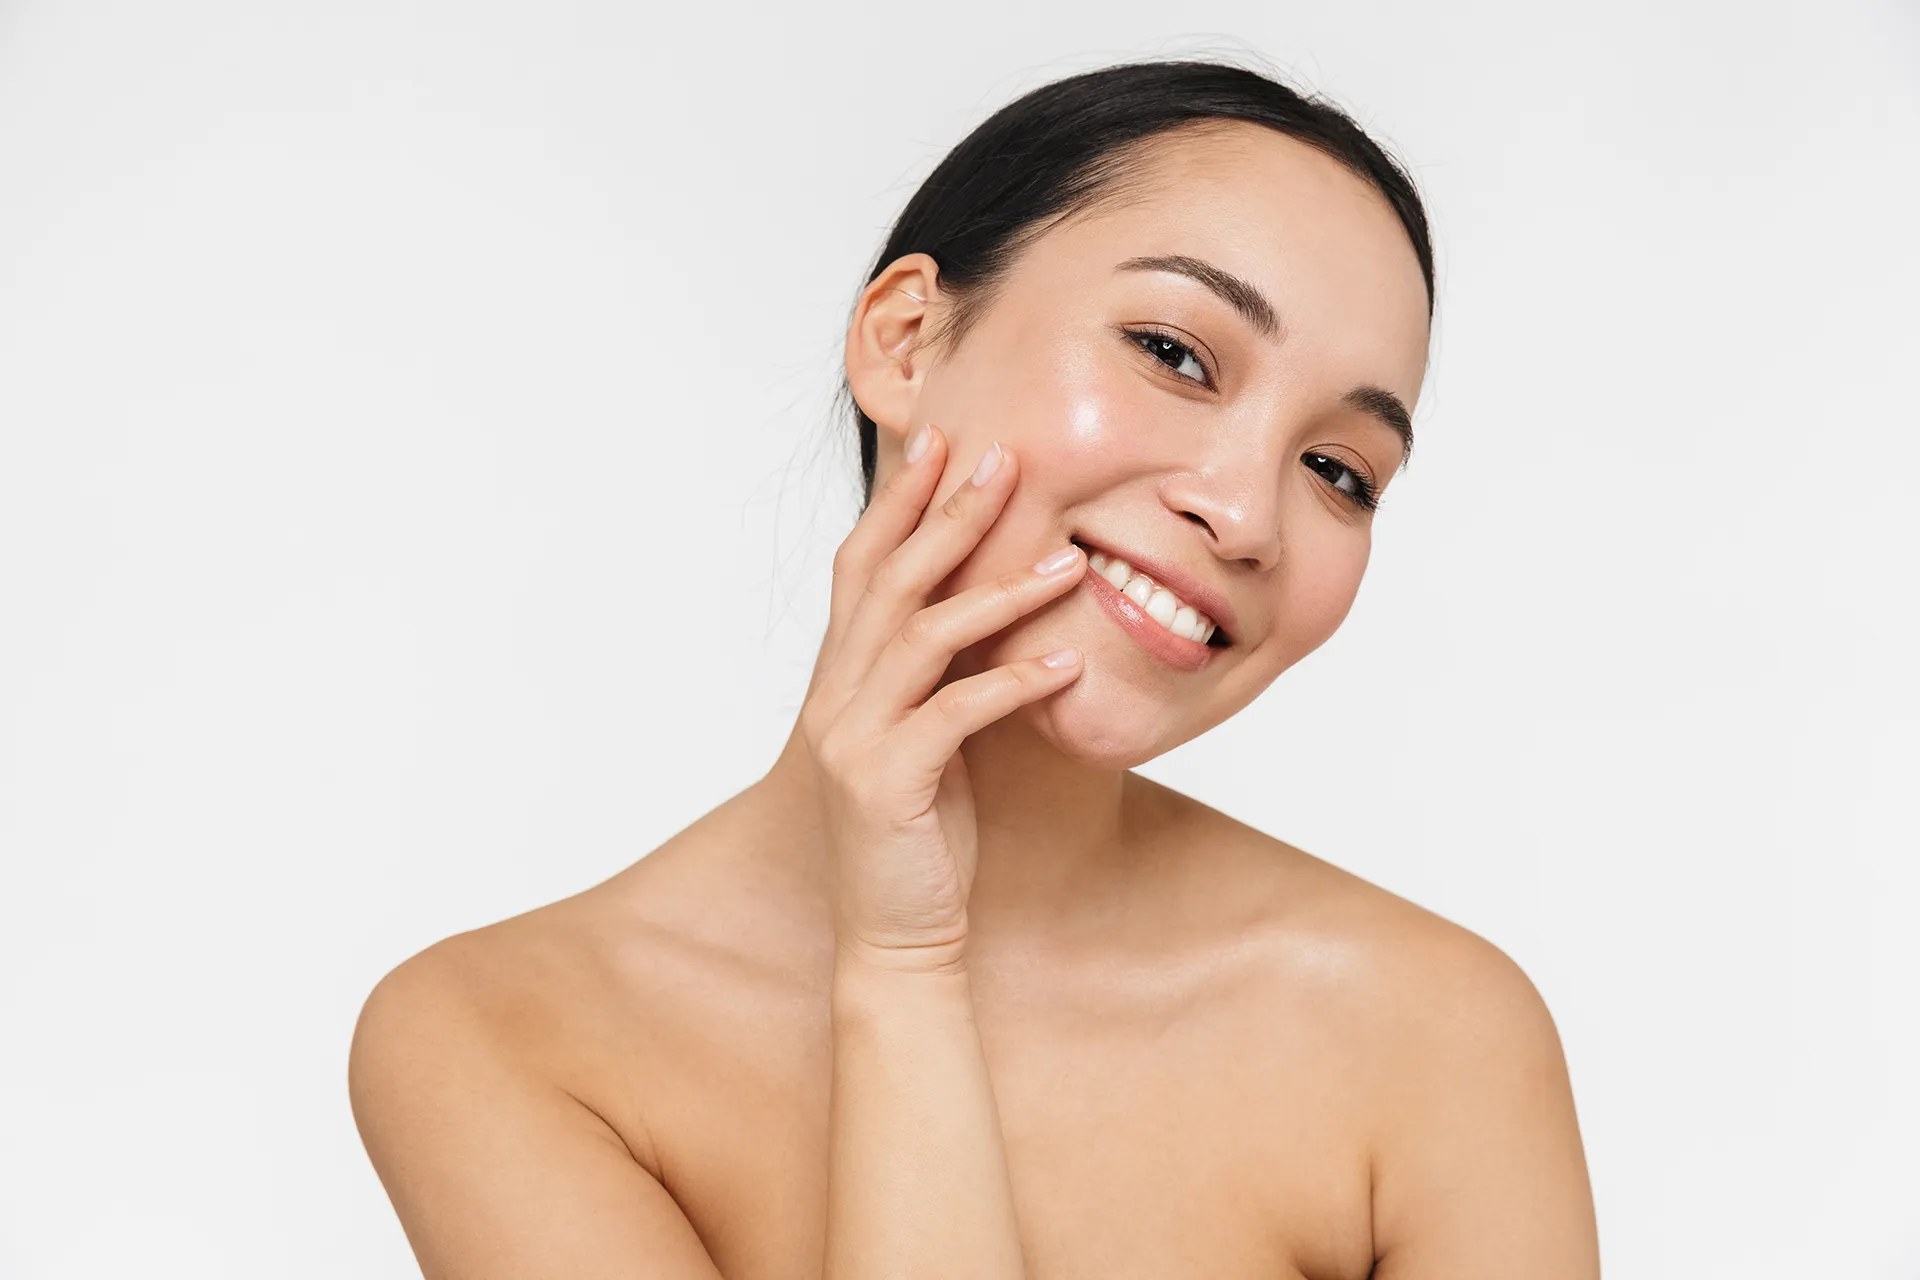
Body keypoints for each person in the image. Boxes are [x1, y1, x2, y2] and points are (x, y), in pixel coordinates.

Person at [348, 59, 1600, 1279]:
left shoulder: (1434, 1036)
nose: (1246, 516)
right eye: (1174, 352)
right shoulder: (505, 1036)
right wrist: (901, 969)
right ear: (904, 341)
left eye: (1340, 471)